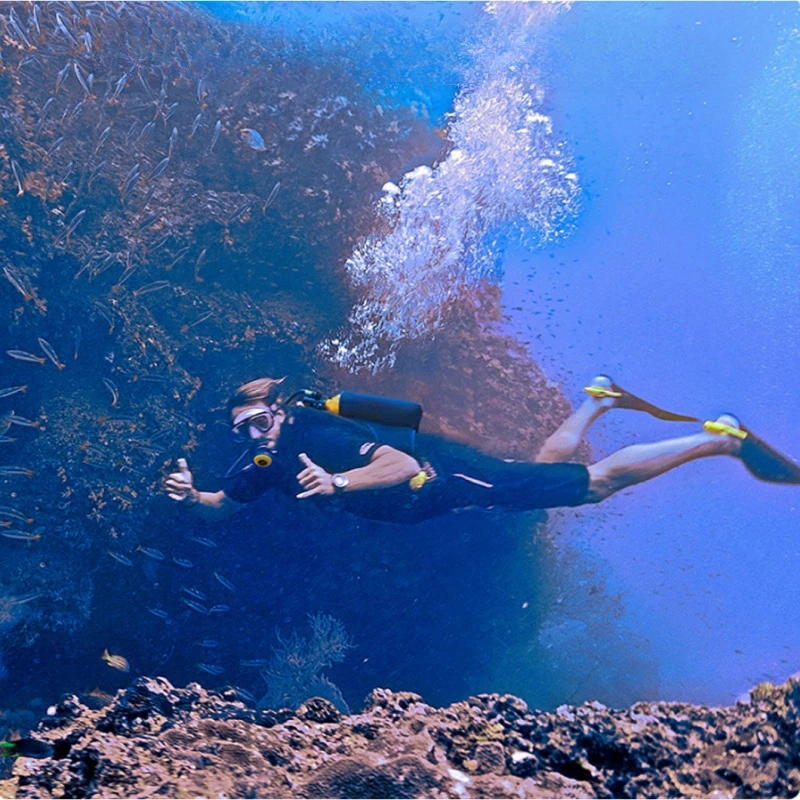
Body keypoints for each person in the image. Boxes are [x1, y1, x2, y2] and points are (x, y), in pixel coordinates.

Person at [163, 375, 799, 524]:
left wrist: (338, 485)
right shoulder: (263, 463)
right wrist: (194, 495)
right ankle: (598, 400)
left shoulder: (317, 435)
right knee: (543, 471)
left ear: (280, 411)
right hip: (441, 486)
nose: (256, 435)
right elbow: (226, 500)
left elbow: (402, 464)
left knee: (593, 485)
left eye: (261, 420)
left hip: (440, 477)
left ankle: (717, 439)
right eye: (243, 428)